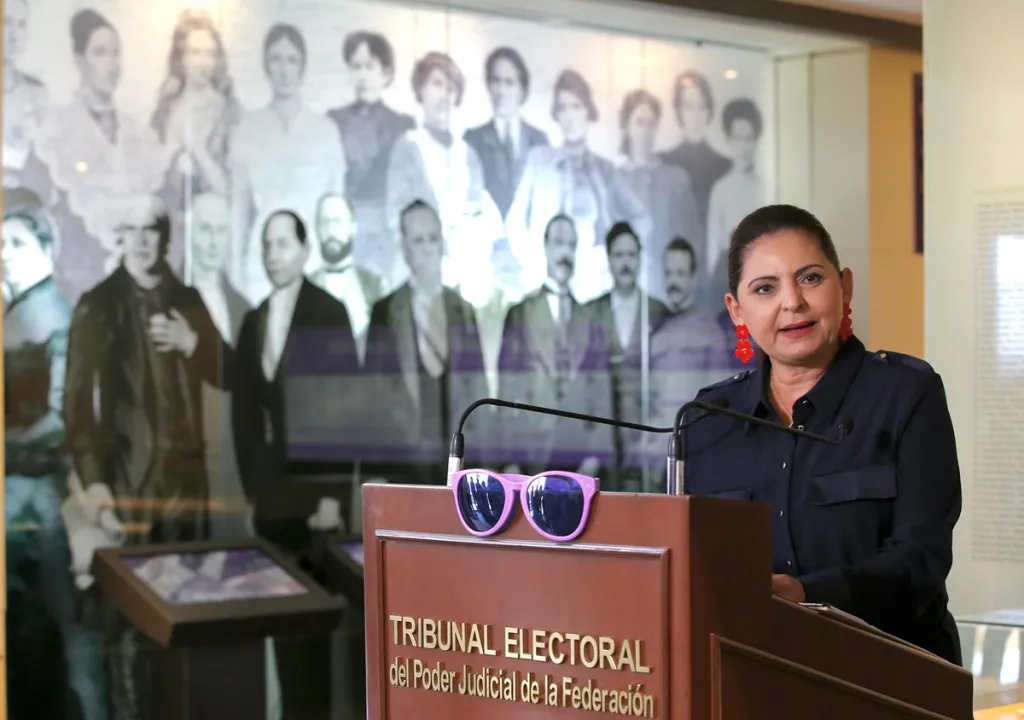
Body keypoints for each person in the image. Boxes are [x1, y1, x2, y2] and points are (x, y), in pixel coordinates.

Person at [681, 204, 962, 665]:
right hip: (754, 683)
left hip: (892, 681)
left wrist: (809, 594)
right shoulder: (707, 420)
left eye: (810, 278)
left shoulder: (906, 394)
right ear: (737, 310)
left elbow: (921, 558)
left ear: (844, 286)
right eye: (765, 288)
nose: (792, 302)